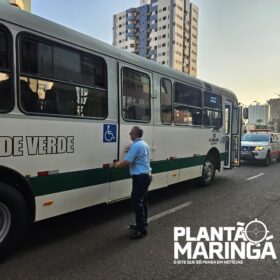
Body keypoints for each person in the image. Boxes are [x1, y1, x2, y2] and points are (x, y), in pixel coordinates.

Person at [113, 126, 152, 239]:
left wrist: (116, 165)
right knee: (143, 201)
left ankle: (141, 230)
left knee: (137, 202)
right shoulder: (145, 144)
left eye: (131, 133)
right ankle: (143, 224)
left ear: (135, 134)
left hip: (140, 178)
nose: (130, 135)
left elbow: (127, 161)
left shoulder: (136, 145)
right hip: (146, 176)